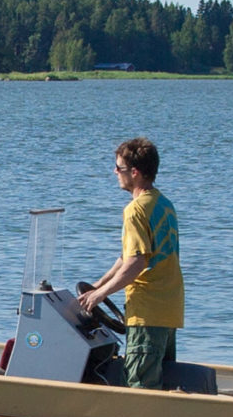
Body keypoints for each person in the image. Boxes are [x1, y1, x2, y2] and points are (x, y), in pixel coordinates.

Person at [77, 136, 182, 389]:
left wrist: (101, 295)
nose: (115, 172)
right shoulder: (162, 203)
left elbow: (136, 263)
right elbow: (127, 256)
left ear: (134, 173)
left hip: (146, 313)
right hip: (169, 309)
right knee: (162, 381)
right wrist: (97, 285)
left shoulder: (135, 210)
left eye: (119, 168)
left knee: (140, 386)